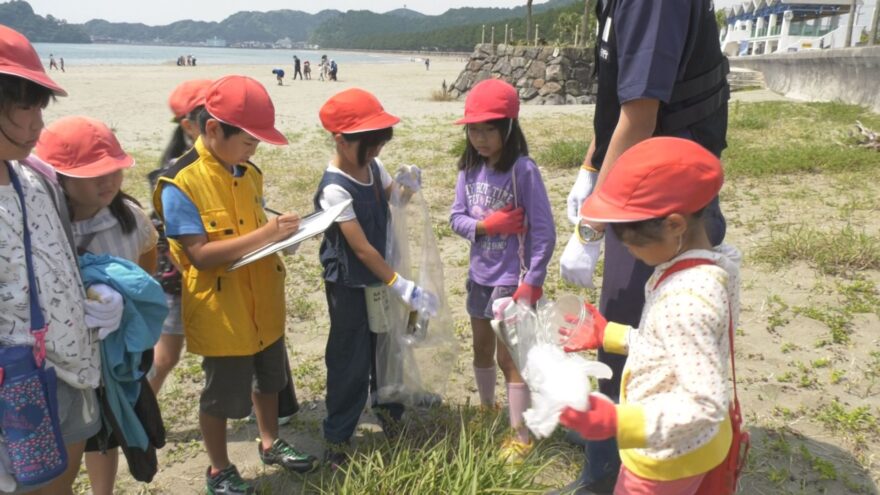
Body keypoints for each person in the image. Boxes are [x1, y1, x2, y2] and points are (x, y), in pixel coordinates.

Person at [555, 1, 729, 492]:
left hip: (661, 470)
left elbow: (640, 114)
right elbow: (615, 104)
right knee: (630, 318)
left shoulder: (687, 299)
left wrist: (591, 227)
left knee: (635, 311)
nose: (619, 244)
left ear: (674, 231)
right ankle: (604, 446)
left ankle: (603, 469)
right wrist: (590, 170)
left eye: (623, 239)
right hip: (649, 194)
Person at [153, 75, 318, 495]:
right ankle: (219, 468)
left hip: (263, 299)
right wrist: (269, 234)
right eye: (248, 141)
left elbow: (254, 222)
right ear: (213, 129)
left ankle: (269, 441)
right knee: (221, 397)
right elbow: (201, 255)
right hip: (220, 310)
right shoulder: (180, 183)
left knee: (270, 381)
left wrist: (285, 234)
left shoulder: (248, 172)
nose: (253, 151)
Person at [559, 137, 740, 495]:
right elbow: (673, 349)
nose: (627, 249)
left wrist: (618, 421)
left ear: (674, 224)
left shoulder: (687, 299)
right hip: (698, 449)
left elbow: (705, 405)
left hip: (665, 461)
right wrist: (610, 334)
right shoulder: (715, 265)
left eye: (632, 241)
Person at [0, 25, 123, 495]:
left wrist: (93, 294)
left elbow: (59, 261)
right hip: (16, 386)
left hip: (73, 370)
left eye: (39, 107)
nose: (37, 124)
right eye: (24, 106)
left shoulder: (37, 179)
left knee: (61, 483)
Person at [34, 115, 159, 495]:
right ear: (58, 177)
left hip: (113, 357)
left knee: (109, 432)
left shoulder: (129, 218)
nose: (108, 181)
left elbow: (146, 262)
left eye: (114, 170)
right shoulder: (45, 224)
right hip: (62, 363)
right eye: (93, 174)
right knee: (66, 445)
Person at [313, 88, 437, 469]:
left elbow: (392, 201)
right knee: (350, 359)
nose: (377, 152)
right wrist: (400, 284)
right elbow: (362, 248)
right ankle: (338, 438)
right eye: (370, 144)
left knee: (387, 351)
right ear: (341, 140)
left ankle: (389, 414)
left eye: (380, 143)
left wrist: (407, 186)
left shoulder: (372, 167)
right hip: (351, 285)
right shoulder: (334, 188)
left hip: (380, 281)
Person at [449, 79, 556, 458]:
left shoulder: (522, 170)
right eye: (473, 129)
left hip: (511, 282)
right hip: (479, 278)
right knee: (481, 350)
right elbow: (455, 218)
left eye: (488, 128)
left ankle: (520, 434)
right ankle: (486, 406)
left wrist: (533, 280)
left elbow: (544, 229)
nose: (479, 138)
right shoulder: (469, 168)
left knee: (509, 358)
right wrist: (485, 227)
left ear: (509, 127)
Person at [149, 79, 212, 394]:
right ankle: (138, 415)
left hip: (209, 272)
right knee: (166, 355)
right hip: (177, 277)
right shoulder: (175, 173)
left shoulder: (222, 165)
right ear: (189, 125)